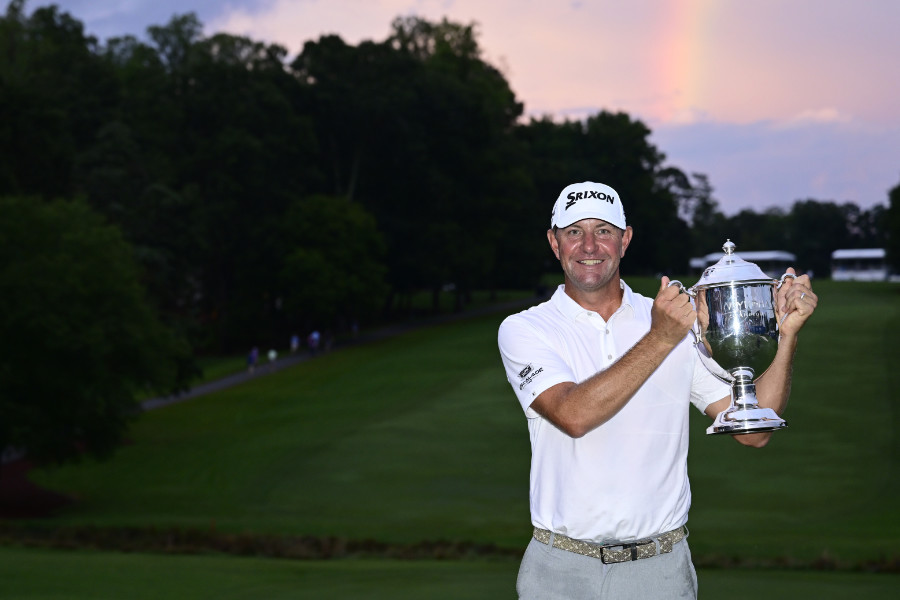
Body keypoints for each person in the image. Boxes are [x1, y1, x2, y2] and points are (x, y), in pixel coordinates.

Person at [497, 181, 817, 599]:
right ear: (554, 242)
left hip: (659, 570)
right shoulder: (525, 328)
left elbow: (753, 430)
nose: (589, 246)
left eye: (604, 231)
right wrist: (660, 338)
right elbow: (572, 415)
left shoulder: (675, 322)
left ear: (625, 239)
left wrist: (786, 336)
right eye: (574, 232)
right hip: (560, 570)